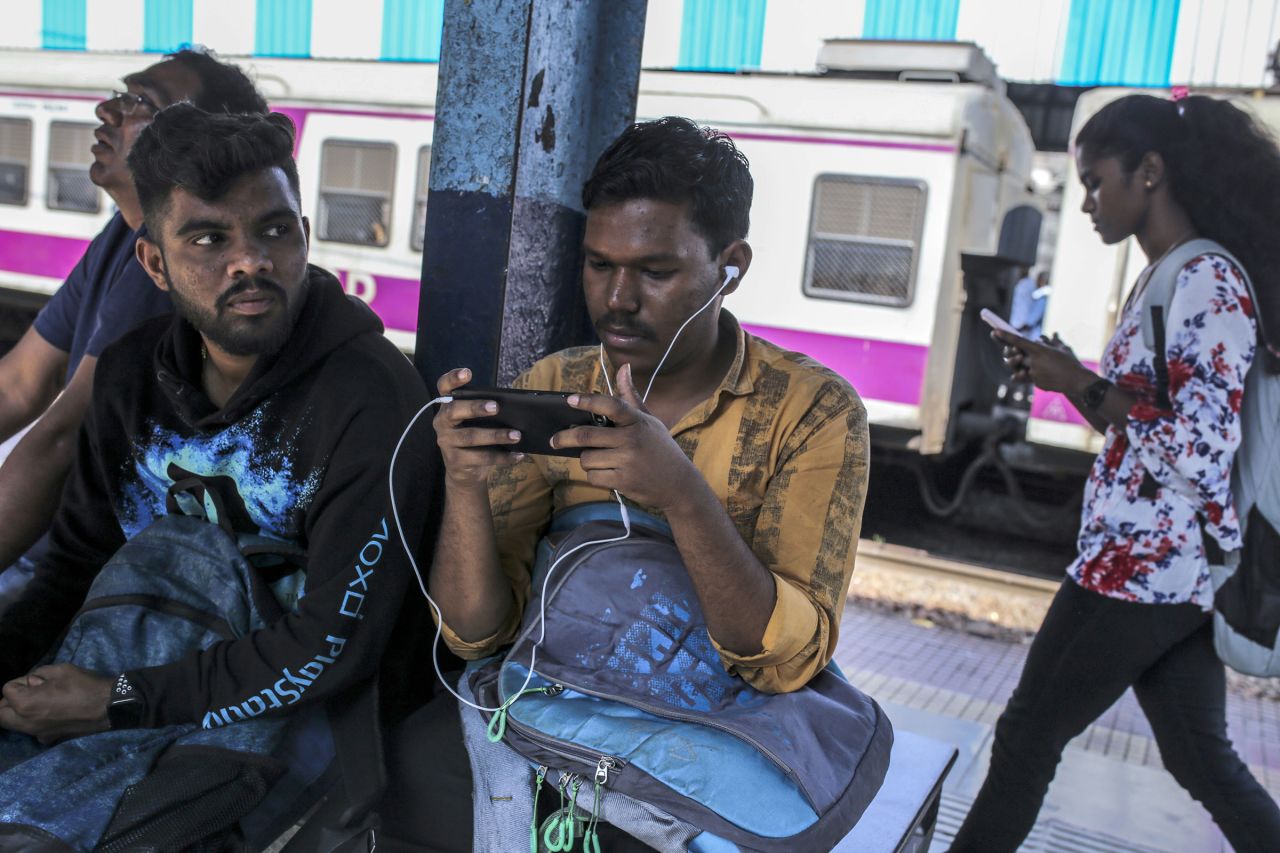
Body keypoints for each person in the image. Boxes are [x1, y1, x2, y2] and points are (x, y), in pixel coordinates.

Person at [400, 116, 869, 849]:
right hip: (564, 697)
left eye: (654, 272)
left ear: (730, 264)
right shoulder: (557, 384)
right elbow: (474, 632)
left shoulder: (810, 413)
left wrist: (681, 494)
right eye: (598, 264)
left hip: (712, 717)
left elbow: (784, 662)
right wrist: (464, 485)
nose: (617, 298)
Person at [0, 105, 434, 754]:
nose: (250, 262)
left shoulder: (370, 397)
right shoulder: (129, 376)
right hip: (128, 698)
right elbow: (74, 569)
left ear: (305, 236)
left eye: (275, 230)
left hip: (301, 731)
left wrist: (117, 701)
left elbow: (332, 646)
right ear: (153, 262)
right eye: (208, 239)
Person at [950, 94, 1280, 852]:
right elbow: (1138, 427)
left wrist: (1078, 380)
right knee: (1202, 759)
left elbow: (1200, 451)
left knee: (1029, 732)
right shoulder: (1168, 275)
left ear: (1151, 172)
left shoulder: (1208, 282)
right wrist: (1066, 374)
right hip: (1157, 565)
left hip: (1146, 568)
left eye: (1097, 182)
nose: (1089, 203)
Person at [0, 49, 268, 610]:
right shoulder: (124, 236)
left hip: (89, 577)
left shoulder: (172, 271)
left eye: (139, 103)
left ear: (192, 138)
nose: (107, 112)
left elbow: (59, 439)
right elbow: (19, 384)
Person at [1009, 269, 1050, 340]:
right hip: (1021, 328)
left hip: (1025, 331)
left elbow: (1033, 317)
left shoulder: (1041, 297)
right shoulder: (1028, 286)